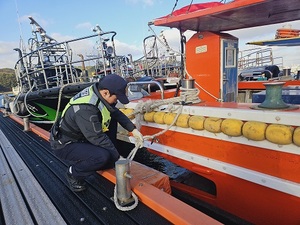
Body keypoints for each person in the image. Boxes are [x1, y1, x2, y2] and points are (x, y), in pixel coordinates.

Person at [49, 74, 144, 192]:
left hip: (82, 136)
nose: (117, 101)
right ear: (106, 93)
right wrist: (118, 158)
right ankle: (73, 173)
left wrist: (133, 130)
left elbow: (115, 112)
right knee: (101, 156)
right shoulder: (86, 110)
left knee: (112, 121)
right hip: (65, 144)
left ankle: (108, 158)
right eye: (117, 97)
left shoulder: (99, 93)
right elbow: (97, 137)